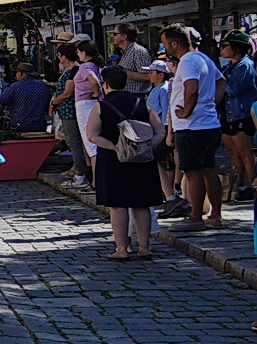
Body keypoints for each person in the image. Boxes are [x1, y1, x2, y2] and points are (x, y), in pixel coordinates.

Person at [84, 65, 164, 259]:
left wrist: (116, 147)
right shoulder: (142, 103)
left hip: (113, 161)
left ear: (106, 84)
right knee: (141, 203)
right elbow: (160, 131)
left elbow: (92, 136)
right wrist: (144, 147)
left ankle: (122, 248)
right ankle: (144, 247)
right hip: (142, 159)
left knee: (117, 204)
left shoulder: (101, 106)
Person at [164, 24, 224, 232]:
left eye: (165, 43)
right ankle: (215, 214)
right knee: (208, 168)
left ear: (174, 43)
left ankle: (196, 217)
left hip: (191, 126)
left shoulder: (187, 61)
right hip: (209, 123)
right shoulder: (204, 58)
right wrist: (211, 103)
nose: (164, 48)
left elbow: (191, 88)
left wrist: (187, 110)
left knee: (192, 171)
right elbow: (221, 81)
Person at [142, 59, 185, 218]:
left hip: (162, 129)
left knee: (165, 163)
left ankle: (170, 192)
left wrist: (168, 132)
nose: (149, 75)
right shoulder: (155, 89)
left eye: (152, 72)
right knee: (159, 162)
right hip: (154, 130)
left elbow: (167, 111)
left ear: (161, 74)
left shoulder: (164, 89)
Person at [218, 32, 255, 201]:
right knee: (232, 152)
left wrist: (220, 80)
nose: (221, 49)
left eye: (225, 46)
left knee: (244, 152)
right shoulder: (229, 67)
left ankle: (251, 186)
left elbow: (234, 89)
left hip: (241, 113)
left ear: (236, 48)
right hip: (228, 114)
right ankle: (236, 186)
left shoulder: (245, 66)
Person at [50, 43, 87, 189]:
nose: (58, 58)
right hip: (66, 110)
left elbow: (67, 93)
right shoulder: (68, 70)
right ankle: (76, 167)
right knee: (73, 141)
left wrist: (54, 102)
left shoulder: (74, 71)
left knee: (74, 141)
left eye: (59, 55)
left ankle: (80, 172)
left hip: (69, 110)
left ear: (65, 56)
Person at [71, 40, 107, 184]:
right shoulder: (97, 65)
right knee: (93, 141)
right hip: (92, 103)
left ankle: (96, 182)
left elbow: (94, 81)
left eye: (79, 52)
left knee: (90, 142)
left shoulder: (85, 67)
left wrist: (95, 92)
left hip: (85, 104)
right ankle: (96, 179)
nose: (78, 55)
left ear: (84, 52)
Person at [0, 62, 53, 134]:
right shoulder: (43, 86)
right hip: (39, 124)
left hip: (18, 125)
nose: (16, 75)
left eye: (17, 72)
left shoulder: (14, 87)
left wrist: (2, 114)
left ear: (22, 74)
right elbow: (49, 104)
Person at [112, 24, 153, 94]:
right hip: (128, 96)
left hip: (137, 96)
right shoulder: (126, 51)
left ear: (124, 37)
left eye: (115, 34)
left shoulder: (138, 51)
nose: (112, 36)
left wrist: (122, 72)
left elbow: (148, 76)